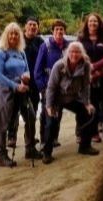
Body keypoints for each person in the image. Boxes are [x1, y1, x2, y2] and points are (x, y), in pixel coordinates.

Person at [42, 42, 100, 164]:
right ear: (67, 53)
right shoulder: (59, 65)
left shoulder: (86, 65)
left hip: (73, 97)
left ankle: (85, 146)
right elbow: (51, 87)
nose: (74, 54)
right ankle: (47, 153)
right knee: (51, 122)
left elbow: (85, 87)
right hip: (56, 98)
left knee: (88, 113)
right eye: (72, 51)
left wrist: (86, 103)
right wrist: (49, 106)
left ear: (82, 53)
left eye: (77, 52)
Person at [0, 23, 30, 167]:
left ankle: (30, 148)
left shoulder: (21, 52)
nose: (14, 36)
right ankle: (1, 156)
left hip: (21, 89)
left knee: (29, 116)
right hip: (6, 91)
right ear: (6, 36)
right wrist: (15, 86)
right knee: (3, 123)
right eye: (11, 33)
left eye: (16, 34)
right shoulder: (1, 53)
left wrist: (26, 78)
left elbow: (27, 70)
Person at [7, 17, 43, 159]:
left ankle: (30, 141)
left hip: (34, 84)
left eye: (35, 25)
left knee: (31, 113)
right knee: (14, 112)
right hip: (18, 84)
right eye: (30, 25)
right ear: (25, 26)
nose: (33, 27)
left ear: (38, 28)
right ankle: (12, 137)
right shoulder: (18, 40)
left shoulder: (40, 42)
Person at [34, 19, 70, 151]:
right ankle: (44, 140)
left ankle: (54, 138)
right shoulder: (46, 46)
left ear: (64, 31)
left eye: (61, 29)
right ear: (52, 31)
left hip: (62, 88)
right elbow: (37, 70)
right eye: (57, 29)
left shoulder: (68, 46)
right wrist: (42, 87)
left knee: (58, 113)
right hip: (47, 87)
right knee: (46, 114)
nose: (59, 32)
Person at [78, 13, 103, 143]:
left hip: (101, 75)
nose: (93, 24)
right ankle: (82, 133)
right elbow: (76, 53)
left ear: (99, 24)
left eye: (95, 21)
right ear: (87, 23)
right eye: (91, 21)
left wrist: (94, 67)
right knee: (84, 103)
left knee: (97, 103)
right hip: (84, 75)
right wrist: (88, 69)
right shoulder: (81, 38)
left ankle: (95, 132)